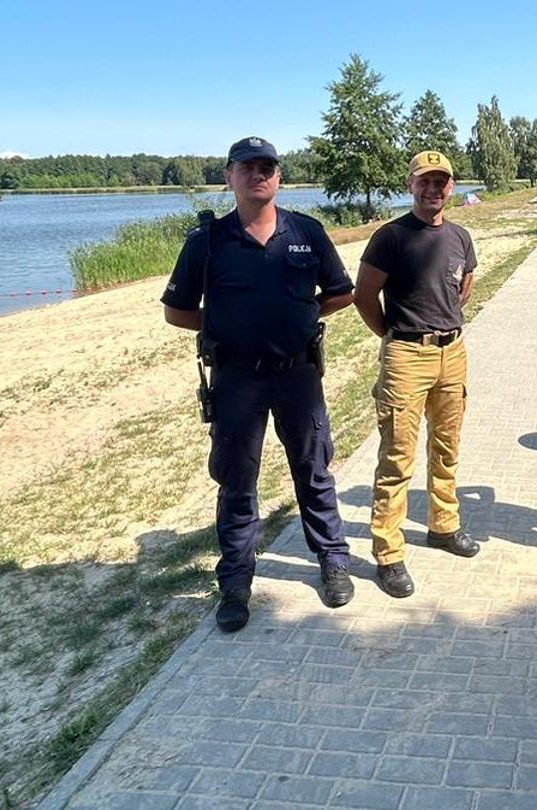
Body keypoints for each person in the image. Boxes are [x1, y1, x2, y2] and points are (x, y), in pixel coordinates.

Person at [162, 136, 358, 633]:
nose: (259, 175)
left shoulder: (307, 232)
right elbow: (177, 310)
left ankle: (333, 560)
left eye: (267, 167)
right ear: (228, 176)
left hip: (299, 376)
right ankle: (235, 582)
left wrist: (303, 314)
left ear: (279, 177)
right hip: (237, 380)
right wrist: (224, 323)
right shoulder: (206, 241)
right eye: (247, 167)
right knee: (237, 482)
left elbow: (340, 293)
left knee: (314, 470)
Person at [352, 150, 481, 599]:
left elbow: (462, 288)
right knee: (397, 457)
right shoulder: (390, 238)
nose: (434, 189)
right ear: (410, 185)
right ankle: (388, 553)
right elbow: (364, 296)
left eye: (441, 181)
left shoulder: (461, 236)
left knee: (447, 449)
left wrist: (445, 326)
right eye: (425, 181)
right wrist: (392, 334)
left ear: (452, 186)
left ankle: (443, 526)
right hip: (407, 355)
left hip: (453, 351)